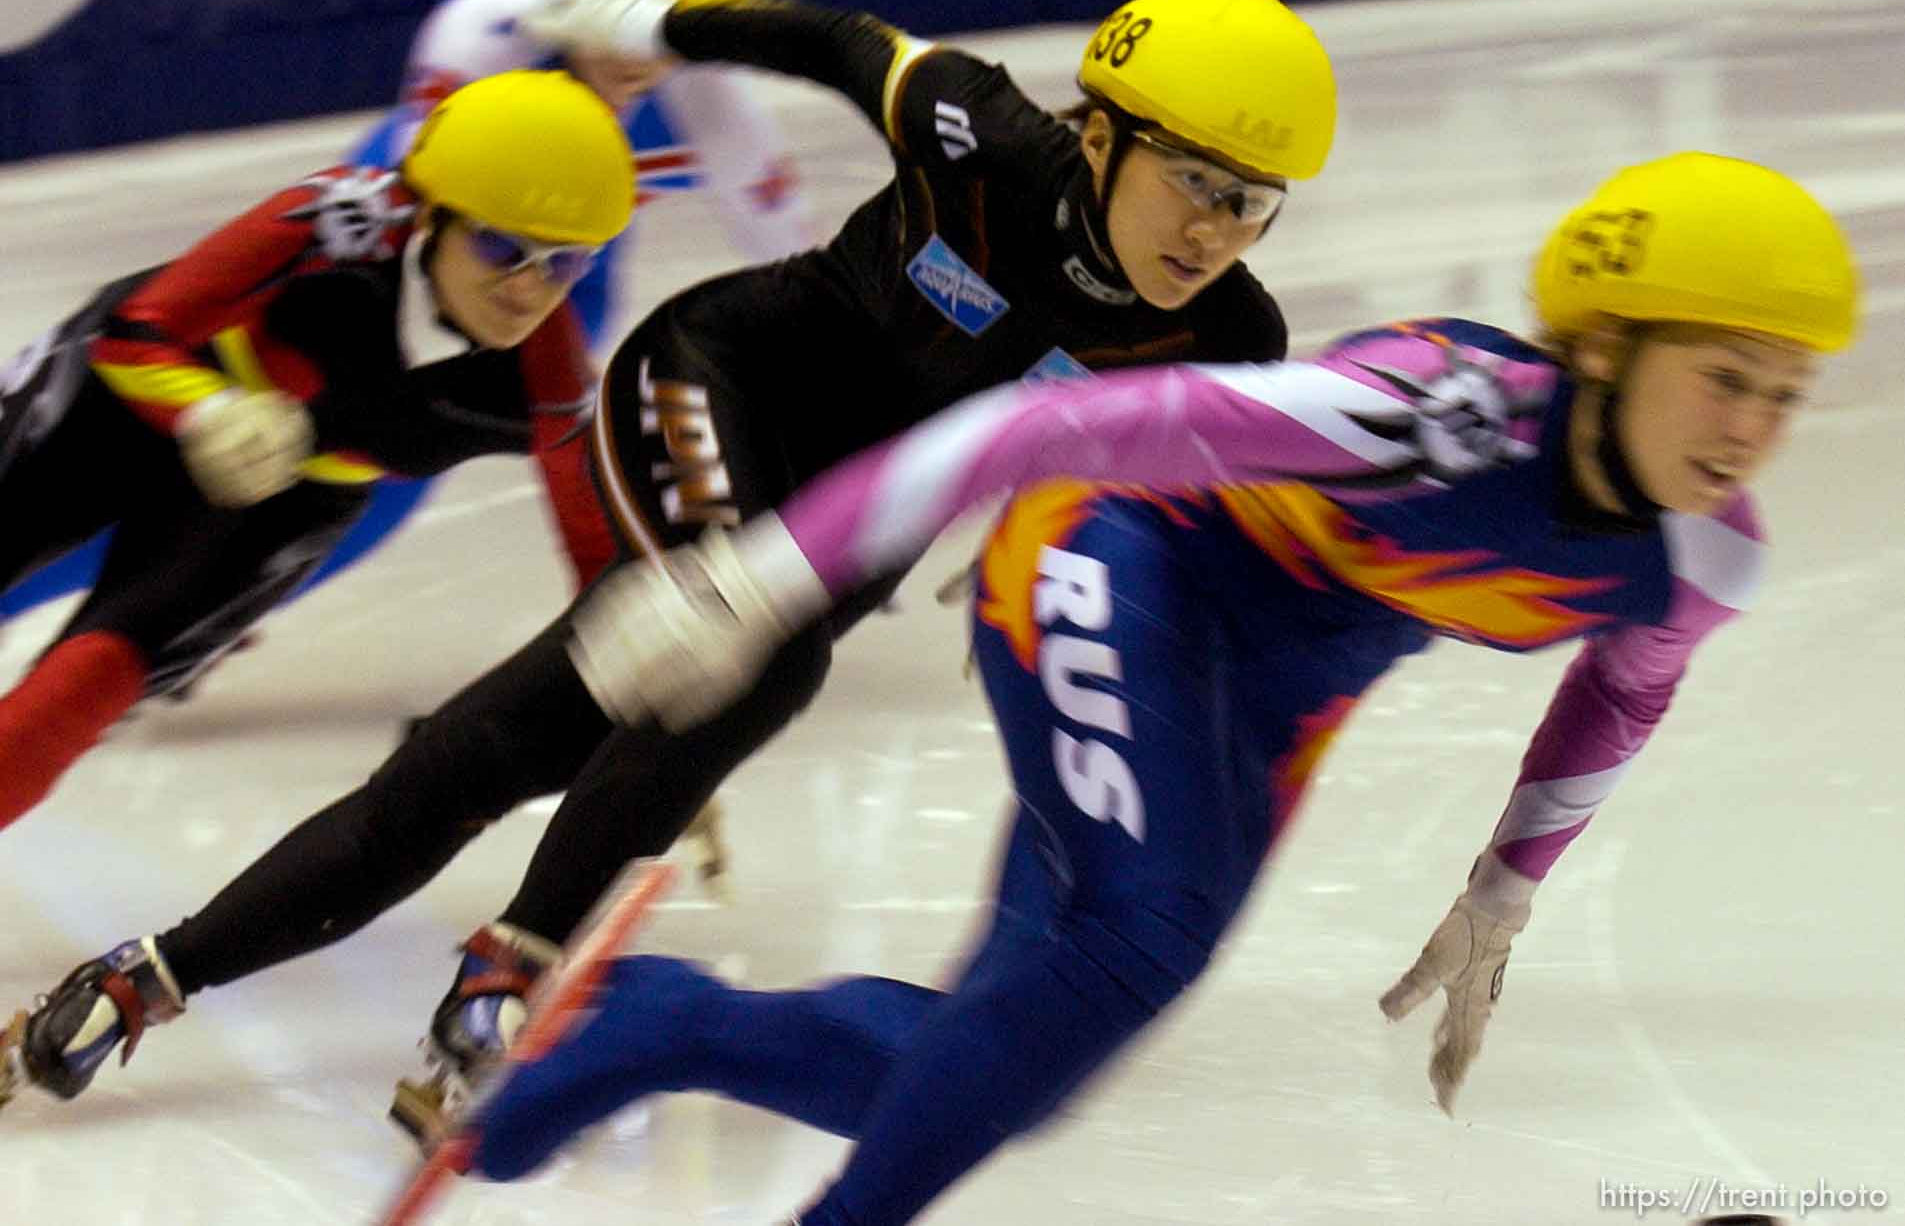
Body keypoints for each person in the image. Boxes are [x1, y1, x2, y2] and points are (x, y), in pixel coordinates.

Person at [0, 0, 1339, 1141]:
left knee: (483, 756)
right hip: (723, 379)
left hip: (847, 530)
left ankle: (143, 980)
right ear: (1097, 134)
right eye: (1193, 183)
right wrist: (657, 20)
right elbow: (837, 43)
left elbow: (1186, 517)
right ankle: (512, 963)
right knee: (759, 657)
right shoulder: (985, 134)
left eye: (1251, 204)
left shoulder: (1230, 341)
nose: (1213, 230)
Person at [452, 152, 1857, 1226]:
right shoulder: (1424, 415)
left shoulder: (1698, 562)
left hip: (1265, 706)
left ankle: (667, 1022)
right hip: (1111, 556)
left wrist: (1506, 887)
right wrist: (761, 578)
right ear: (1604, 347)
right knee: (1147, 928)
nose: (1752, 430)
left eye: (1785, 395)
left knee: (1014, 1063)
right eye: (1723, 378)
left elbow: (1623, 695)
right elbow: (1042, 424)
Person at [1, 0, 816, 624]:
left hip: (563, 270)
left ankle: (181, 614)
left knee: (365, 484)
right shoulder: (486, 29)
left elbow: (797, 274)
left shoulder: (715, 102)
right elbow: (417, 210)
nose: (648, 56)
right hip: (414, 223)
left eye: (677, 30)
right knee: (235, 427)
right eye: (630, 16)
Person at [0, 68, 629, 837]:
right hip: (138, 390)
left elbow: (605, 567)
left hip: (286, 498)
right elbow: (136, 329)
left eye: (566, 263)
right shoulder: (340, 218)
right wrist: (207, 412)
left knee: (88, 682)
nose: (530, 291)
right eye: (503, 247)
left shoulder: (547, 377)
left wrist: (643, 738)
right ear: (431, 213)